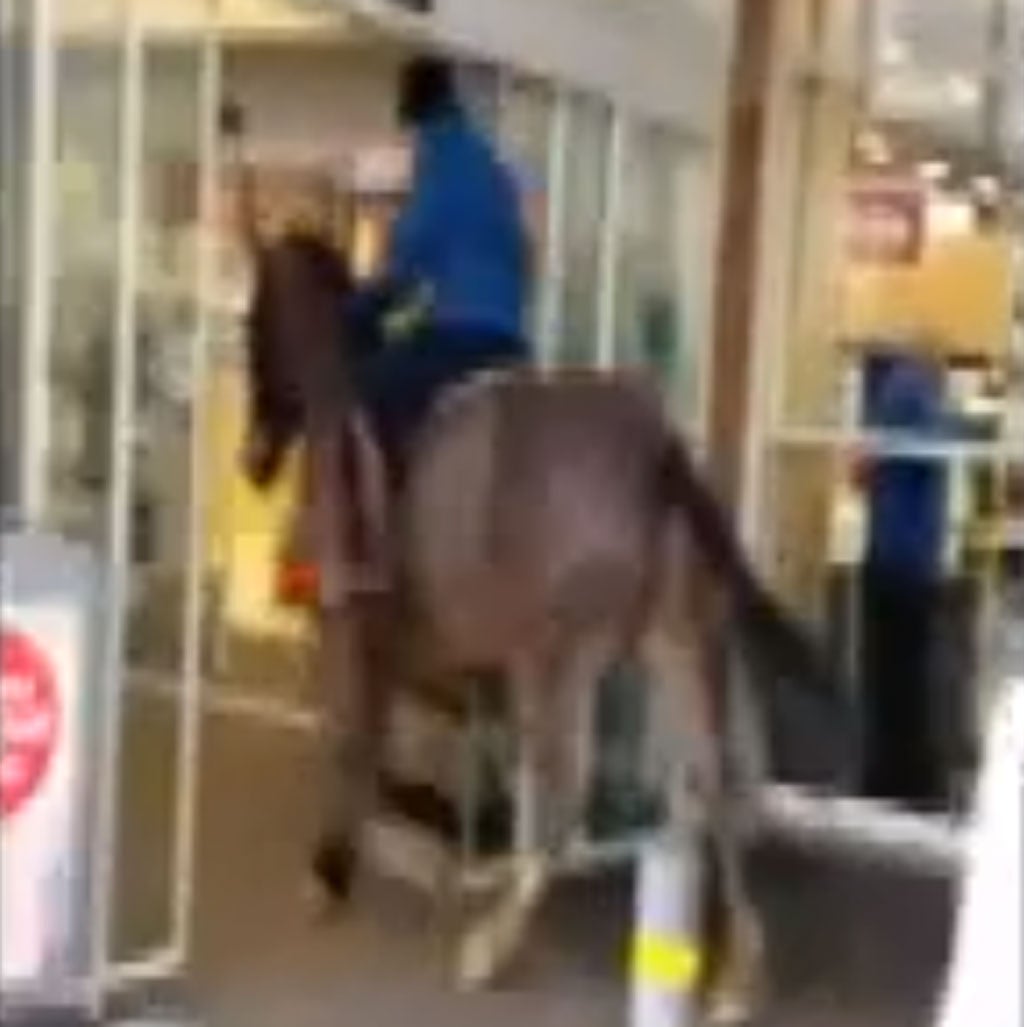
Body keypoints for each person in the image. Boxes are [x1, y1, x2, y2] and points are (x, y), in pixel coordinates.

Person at [348, 55, 532, 479]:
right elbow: (519, 252)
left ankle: (397, 497)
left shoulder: (440, 160)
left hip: (461, 338)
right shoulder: (489, 161)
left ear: (413, 112)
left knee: (368, 388)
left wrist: (365, 303)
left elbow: (410, 253)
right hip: (509, 339)